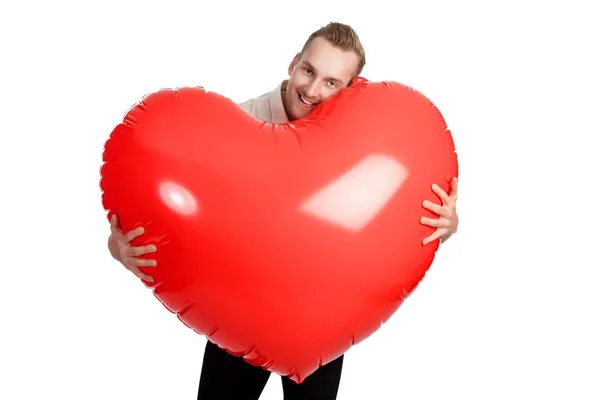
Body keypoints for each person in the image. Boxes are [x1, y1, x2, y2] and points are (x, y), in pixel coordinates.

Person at [107, 22, 459, 400]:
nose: (312, 89)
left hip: (322, 322)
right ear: (294, 63)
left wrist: (448, 224)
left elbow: (392, 217)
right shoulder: (231, 127)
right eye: (308, 71)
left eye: (331, 82)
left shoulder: (370, 143)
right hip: (237, 315)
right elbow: (179, 216)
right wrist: (120, 249)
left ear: (352, 87)